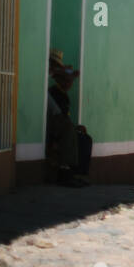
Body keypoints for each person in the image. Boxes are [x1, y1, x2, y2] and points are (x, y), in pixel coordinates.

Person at [46, 50, 93, 186]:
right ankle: (66, 172)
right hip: (54, 127)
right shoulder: (53, 92)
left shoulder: (64, 96)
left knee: (85, 138)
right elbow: (56, 116)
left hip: (61, 124)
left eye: (70, 82)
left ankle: (81, 173)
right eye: (65, 81)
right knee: (70, 132)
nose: (68, 84)